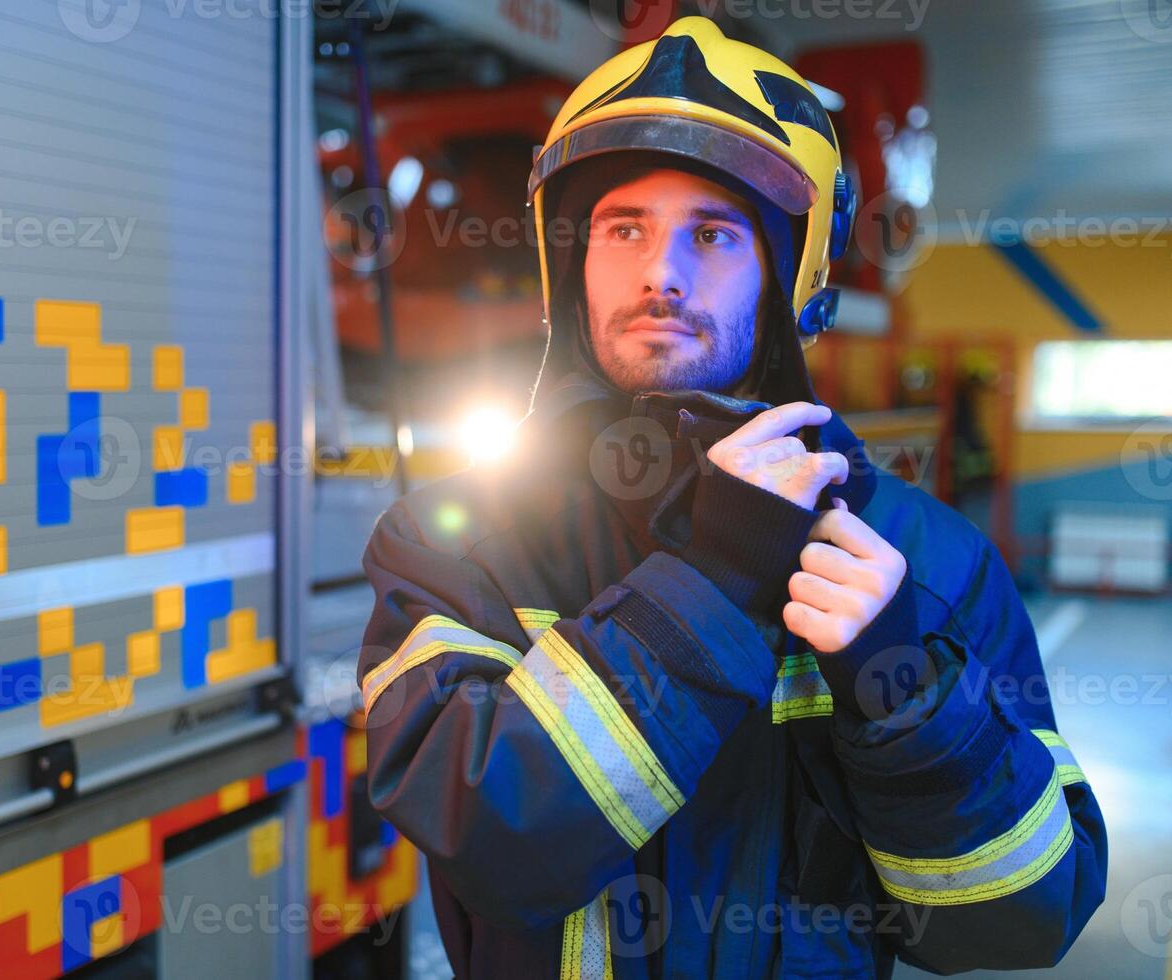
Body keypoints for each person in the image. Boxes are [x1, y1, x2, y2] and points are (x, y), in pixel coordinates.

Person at [357, 17, 1106, 978]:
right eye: (623, 228)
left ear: (792, 276)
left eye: (712, 234)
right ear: (568, 266)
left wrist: (904, 694)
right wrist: (710, 580)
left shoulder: (925, 560)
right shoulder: (450, 545)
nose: (660, 274)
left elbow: (1020, 924)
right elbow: (494, 850)